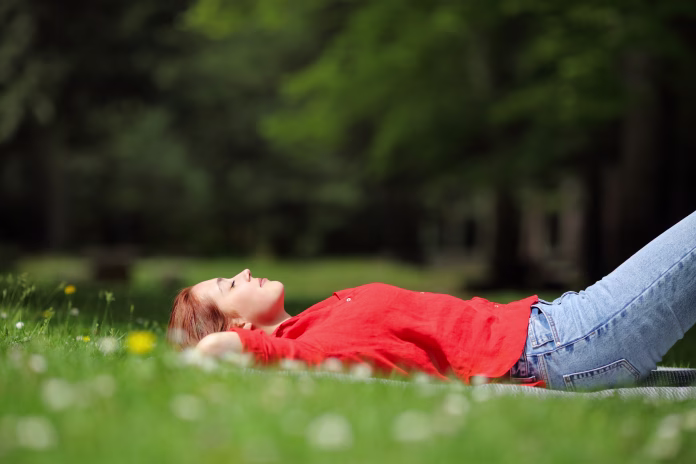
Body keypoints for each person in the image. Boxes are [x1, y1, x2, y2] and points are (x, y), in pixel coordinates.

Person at [167, 210, 696, 390]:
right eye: (228, 287)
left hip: (559, 325)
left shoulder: (315, 323)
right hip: (565, 344)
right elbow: (220, 352)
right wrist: (209, 349)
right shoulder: (308, 351)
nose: (243, 273)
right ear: (236, 326)